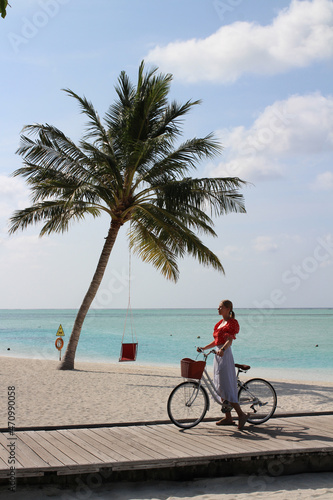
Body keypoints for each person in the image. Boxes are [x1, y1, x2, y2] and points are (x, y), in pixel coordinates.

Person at [197, 299, 249, 430]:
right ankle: (228, 417)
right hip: (218, 355)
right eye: (218, 307)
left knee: (226, 386)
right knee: (219, 386)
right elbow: (216, 342)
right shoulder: (219, 323)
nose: (218, 309)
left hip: (224, 355)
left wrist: (223, 350)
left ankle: (241, 415)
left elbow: (229, 341)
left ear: (228, 309)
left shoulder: (232, 323)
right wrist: (204, 348)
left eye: (220, 307)